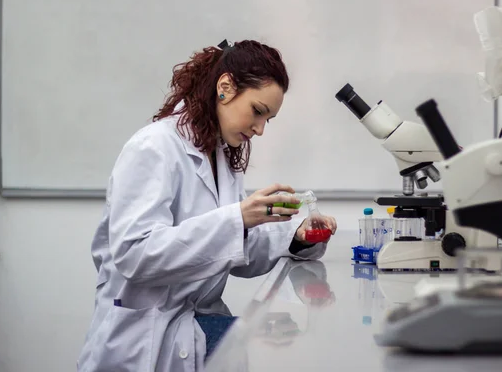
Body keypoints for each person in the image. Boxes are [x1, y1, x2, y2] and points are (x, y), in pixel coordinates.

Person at [77, 39, 337, 372]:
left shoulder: (219, 158)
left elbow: (234, 251)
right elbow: (135, 253)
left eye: (267, 120)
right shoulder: (153, 147)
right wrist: (238, 218)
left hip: (193, 324)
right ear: (225, 87)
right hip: (145, 338)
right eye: (257, 111)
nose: (259, 129)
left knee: (261, 338)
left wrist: (296, 237)